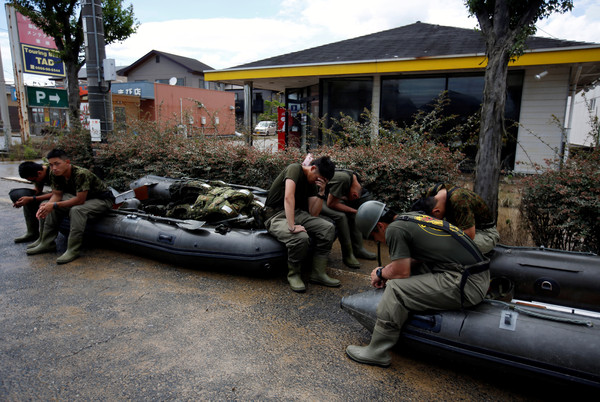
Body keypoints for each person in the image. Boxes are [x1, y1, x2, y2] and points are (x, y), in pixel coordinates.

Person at [345, 200, 489, 367]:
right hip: (475, 275)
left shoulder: (394, 230)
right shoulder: (411, 218)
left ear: (380, 226)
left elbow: (401, 272)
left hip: (466, 283)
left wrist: (380, 272)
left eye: (373, 236)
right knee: (409, 275)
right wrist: (387, 270)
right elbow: (418, 258)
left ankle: (377, 351)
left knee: (396, 289)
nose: (377, 241)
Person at [264, 155, 340, 292]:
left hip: (298, 213)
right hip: (275, 215)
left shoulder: (312, 183)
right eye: (318, 178)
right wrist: (291, 226)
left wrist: (322, 192)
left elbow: (314, 213)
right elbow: (288, 196)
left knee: (327, 228)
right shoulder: (294, 169)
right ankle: (294, 274)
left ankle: (318, 273)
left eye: (322, 181)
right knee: (300, 237)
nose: (317, 182)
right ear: (313, 168)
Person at [27, 149, 114, 264]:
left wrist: (54, 204)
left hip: (101, 199)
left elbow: (79, 200)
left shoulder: (81, 174)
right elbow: (57, 195)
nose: (54, 168)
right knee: (50, 206)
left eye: (57, 164)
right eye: (51, 165)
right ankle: (46, 242)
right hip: (82, 198)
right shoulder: (55, 174)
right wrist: (48, 206)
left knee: (77, 210)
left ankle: (73, 249)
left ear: (67, 162)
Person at [413, 183, 500, 254]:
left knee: (447, 249)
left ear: (436, 211)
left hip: (482, 233)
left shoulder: (459, 200)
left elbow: (469, 235)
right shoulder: (433, 192)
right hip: (455, 227)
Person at [321, 169, 376, 268]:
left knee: (352, 214)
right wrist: (354, 210)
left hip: (324, 194)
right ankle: (348, 254)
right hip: (313, 197)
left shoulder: (352, 177)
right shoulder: (344, 179)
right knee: (341, 216)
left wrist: (353, 211)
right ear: (354, 194)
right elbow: (331, 204)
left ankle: (358, 249)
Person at [11, 161, 52, 243]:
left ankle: (45, 239)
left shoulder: (53, 171)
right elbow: (38, 190)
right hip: (56, 193)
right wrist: (21, 199)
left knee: (42, 203)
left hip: (68, 194)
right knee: (27, 198)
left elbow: (58, 194)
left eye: (34, 179)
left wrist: (31, 199)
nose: (35, 181)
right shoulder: (38, 172)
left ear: (39, 173)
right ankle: (32, 233)